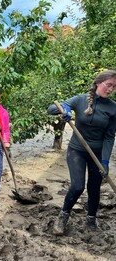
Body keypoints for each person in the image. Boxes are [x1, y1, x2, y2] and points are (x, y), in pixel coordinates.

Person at [47, 69, 116, 234]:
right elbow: (50, 109)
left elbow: (109, 137)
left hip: (98, 154)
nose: (110, 89)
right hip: (77, 150)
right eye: (108, 85)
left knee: (94, 188)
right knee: (77, 187)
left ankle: (91, 220)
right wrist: (64, 109)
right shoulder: (80, 100)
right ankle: (63, 216)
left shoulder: (113, 108)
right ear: (98, 83)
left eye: (114, 87)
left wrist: (105, 161)